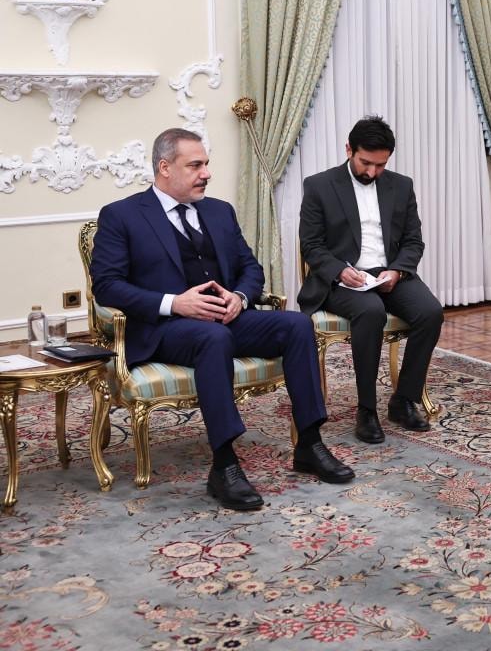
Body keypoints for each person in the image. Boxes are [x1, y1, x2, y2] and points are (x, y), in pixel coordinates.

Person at [90, 128, 354, 511]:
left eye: (206, 164)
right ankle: (225, 464)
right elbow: (107, 286)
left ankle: (310, 444)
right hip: (166, 329)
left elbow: (251, 268)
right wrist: (174, 303)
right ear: (165, 167)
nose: (206, 174)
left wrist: (240, 296)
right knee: (213, 339)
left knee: (297, 325)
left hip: (228, 319)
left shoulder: (219, 211)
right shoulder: (121, 216)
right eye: (195, 165)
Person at [298, 116, 444, 443]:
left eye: (381, 165)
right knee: (370, 311)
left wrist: (398, 271)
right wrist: (339, 270)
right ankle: (366, 410)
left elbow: (413, 241)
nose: (372, 172)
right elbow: (312, 245)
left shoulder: (401, 186)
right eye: (366, 163)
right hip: (342, 278)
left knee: (431, 312)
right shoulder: (319, 185)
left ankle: (403, 400)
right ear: (349, 149)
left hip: (389, 273)